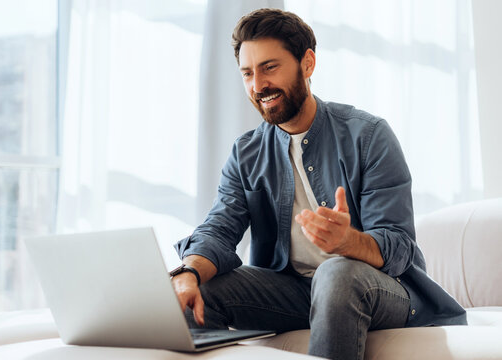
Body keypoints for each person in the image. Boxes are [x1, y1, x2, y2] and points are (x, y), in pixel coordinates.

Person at [170, 8, 467, 360]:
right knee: (199, 288)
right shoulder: (246, 152)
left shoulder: (368, 135)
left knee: (336, 273)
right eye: (247, 73)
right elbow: (219, 229)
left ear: (307, 63)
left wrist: (349, 242)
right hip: (294, 291)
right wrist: (186, 272)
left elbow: (399, 246)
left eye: (270, 67)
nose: (257, 85)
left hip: (382, 288)